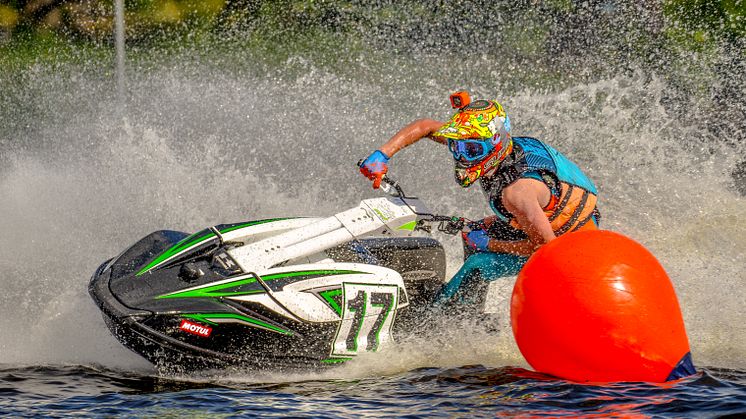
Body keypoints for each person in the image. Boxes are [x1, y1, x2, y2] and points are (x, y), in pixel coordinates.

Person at [359, 92, 600, 308]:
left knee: (478, 264)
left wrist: (490, 244)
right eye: (456, 146)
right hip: (549, 222)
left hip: (569, 248)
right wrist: (382, 155)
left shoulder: (516, 193)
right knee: (471, 232)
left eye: (471, 150)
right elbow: (426, 127)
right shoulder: (486, 143)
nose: (462, 156)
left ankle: (448, 319)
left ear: (496, 143)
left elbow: (546, 250)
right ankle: (467, 307)